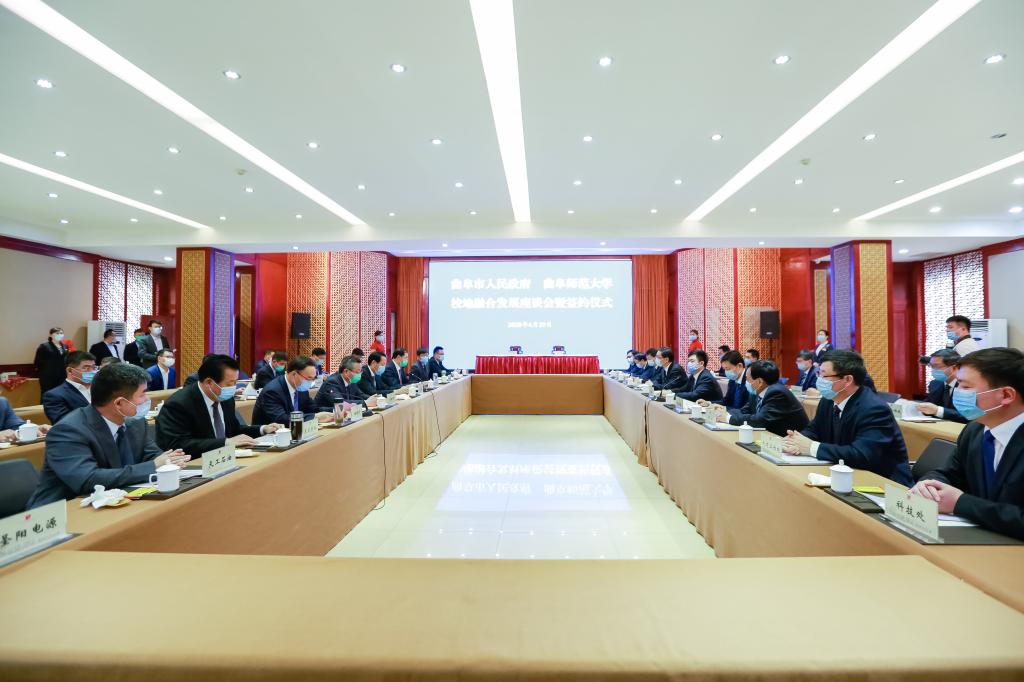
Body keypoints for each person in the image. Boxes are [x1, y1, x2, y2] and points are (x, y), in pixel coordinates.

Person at [25, 363, 190, 508]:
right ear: (119, 403)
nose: (147, 399)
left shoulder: (135, 422)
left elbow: (152, 455)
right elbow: (87, 480)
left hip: (115, 499)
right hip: (64, 510)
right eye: (142, 394)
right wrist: (153, 466)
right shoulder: (68, 431)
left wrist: (170, 462)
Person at [909, 348, 1024, 539]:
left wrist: (960, 503)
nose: (958, 393)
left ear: (1006, 395)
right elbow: (950, 473)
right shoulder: (975, 430)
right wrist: (929, 486)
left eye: (965, 387)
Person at [783, 349, 912, 485]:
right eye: (818, 374)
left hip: (883, 483)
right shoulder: (828, 400)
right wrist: (795, 441)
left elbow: (862, 455)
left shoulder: (874, 409)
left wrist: (811, 447)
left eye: (824, 375)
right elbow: (814, 429)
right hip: (846, 472)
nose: (819, 380)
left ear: (847, 380)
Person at [155, 354, 281, 459]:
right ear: (209, 382)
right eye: (229, 384)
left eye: (235, 382)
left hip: (224, 459)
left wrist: (262, 429)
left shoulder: (225, 398)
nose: (233, 388)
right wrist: (224, 442)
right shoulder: (179, 404)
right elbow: (178, 444)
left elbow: (234, 430)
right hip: (194, 463)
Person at [710, 360, 808, 436]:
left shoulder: (777, 393)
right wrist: (723, 411)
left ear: (760, 382)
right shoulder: (758, 390)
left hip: (791, 440)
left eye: (747, 379)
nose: (746, 382)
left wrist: (728, 418)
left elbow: (760, 420)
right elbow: (744, 410)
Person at [252, 356, 334, 426]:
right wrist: (314, 417)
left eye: (313, 379)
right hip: (270, 436)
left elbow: (313, 408)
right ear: (294, 374)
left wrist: (335, 410)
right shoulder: (272, 391)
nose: (311, 382)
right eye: (309, 378)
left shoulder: (301, 389)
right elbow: (281, 419)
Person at [42, 351, 96, 425]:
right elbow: (65, 424)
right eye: (86, 368)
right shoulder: (54, 396)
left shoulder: (100, 389)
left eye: (94, 367)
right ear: (70, 370)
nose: (92, 371)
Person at [917, 349, 966, 423]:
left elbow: (967, 416)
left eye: (937, 366)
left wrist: (938, 410)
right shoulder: (935, 384)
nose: (933, 370)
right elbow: (928, 406)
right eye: (931, 366)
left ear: (954, 368)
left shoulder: (967, 386)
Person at [34, 326, 69, 394]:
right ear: (50, 335)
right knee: (48, 393)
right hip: (48, 375)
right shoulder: (44, 346)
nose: (59, 335)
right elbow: (37, 362)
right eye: (57, 333)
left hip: (62, 375)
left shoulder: (65, 346)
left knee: (61, 393)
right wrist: (43, 372)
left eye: (61, 333)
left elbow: (66, 359)